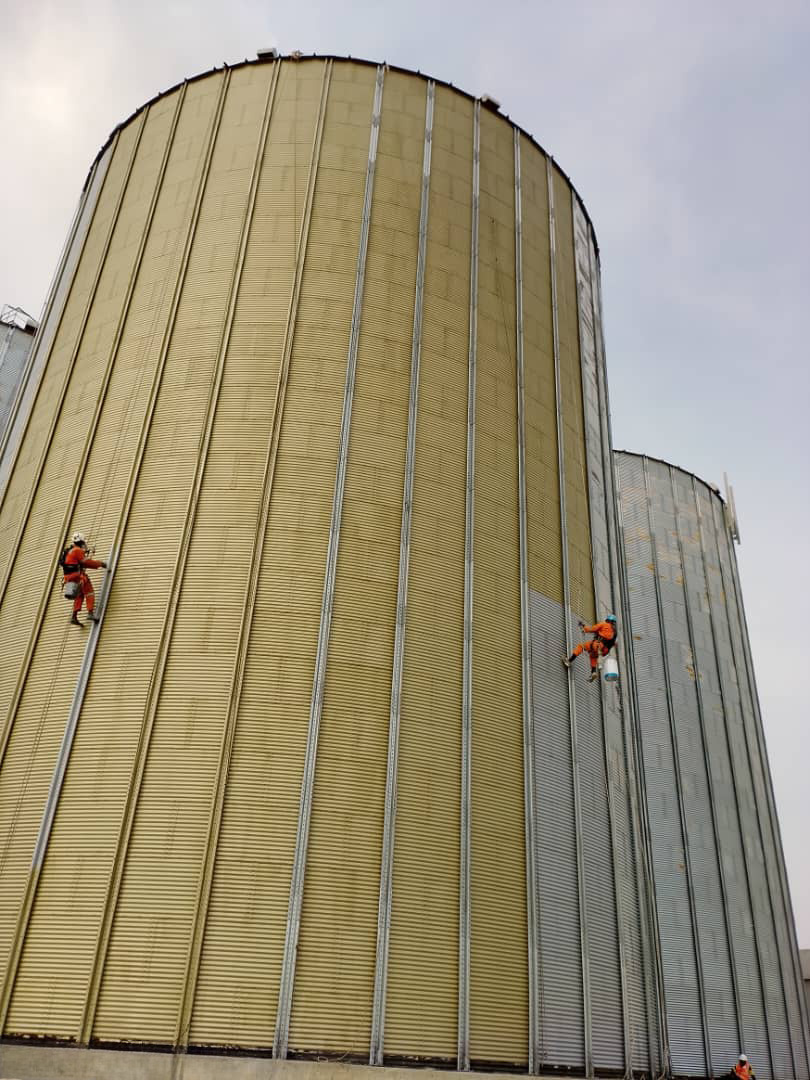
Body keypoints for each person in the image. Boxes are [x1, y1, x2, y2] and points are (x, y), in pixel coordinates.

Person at [62, 532, 107, 626]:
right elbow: (87, 563)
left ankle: (74, 616)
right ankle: (90, 613)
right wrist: (100, 564)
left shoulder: (69, 550)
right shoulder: (77, 551)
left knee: (79, 595)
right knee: (89, 592)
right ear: (81, 541)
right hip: (77, 576)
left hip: (68, 577)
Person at [562, 614, 618, 681]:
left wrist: (583, 627)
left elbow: (592, 629)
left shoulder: (604, 624)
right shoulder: (614, 633)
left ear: (608, 620)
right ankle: (593, 672)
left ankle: (569, 661)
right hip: (604, 651)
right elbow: (614, 644)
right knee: (593, 656)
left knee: (581, 646)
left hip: (597, 645)